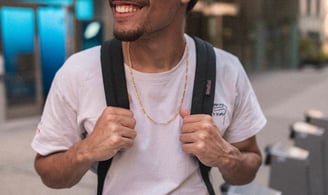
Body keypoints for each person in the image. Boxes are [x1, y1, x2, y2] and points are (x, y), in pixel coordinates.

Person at [32, 0, 266, 194]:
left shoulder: (226, 69)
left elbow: (249, 164)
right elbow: (47, 172)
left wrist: (226, 157)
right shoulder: (78, 71)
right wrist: (85, 150)